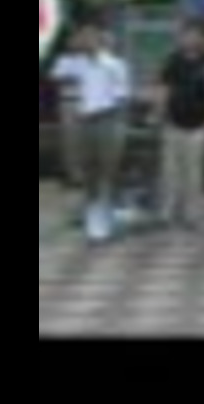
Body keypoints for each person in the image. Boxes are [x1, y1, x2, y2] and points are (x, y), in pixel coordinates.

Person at [57, 23, 131, 244]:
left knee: (107, 171)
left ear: (99, 40)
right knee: (89, 172)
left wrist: (118, 123)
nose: (86, 41)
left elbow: (122, 95)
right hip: (84, 121)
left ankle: (106, 220)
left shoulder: (115, 65)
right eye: (83, 38)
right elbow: (59, 75)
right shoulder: (76, 64)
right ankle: (92, 219)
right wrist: (73, 49)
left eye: (90, 38)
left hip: (107, 120)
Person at [156, 19, 204, 231]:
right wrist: (159, 113)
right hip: (173, 122)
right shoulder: (172, 60)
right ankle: (167, 212)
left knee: (194, 173)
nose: (190, 39)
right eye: (186, 34)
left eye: (195, 35)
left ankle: (192, 214)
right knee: (170, 171)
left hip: (199, 124)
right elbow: (164, 89)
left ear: (203, 38)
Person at [50, 35, 87, 189]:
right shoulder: (63, 60)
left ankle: (84, 175)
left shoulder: (87, 60)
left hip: (84, 103)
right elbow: (55, 78)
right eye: (72, 41)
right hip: (67, 102)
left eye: (78, 41)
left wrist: (72, 79)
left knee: (84, 140)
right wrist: (71, 79)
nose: (75, 44)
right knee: (68, 140)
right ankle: (71, 175)